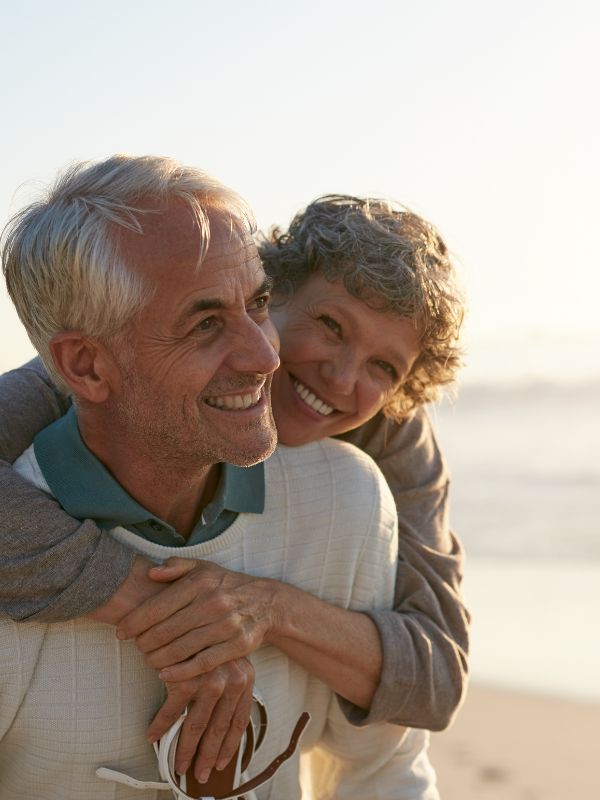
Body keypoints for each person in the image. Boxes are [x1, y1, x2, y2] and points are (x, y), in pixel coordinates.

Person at [0, 155, 439, 799]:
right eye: (204, 324)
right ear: (87, 367)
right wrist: (170, 619)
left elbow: (386, 766)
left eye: (257, 303)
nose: (267, 357)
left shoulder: (350, 497)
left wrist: (269, 611)